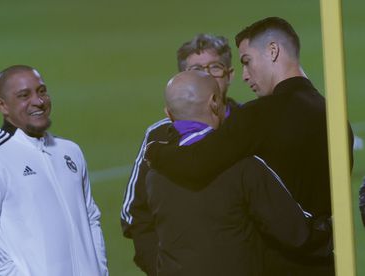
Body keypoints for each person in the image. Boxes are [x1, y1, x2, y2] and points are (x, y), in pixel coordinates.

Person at [146, 17, 354, 275]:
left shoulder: (258, 116)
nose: (244, 75)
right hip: (328, 263)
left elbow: (196, 163)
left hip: (276, 265)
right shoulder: (336, 117)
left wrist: (156, 151)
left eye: (247, 61)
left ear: (273, 51)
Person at [147, 70, 326, 276]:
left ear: (168, 114)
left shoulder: (154, 173)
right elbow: (294, 233)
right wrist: (327, 230)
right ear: (214, 103)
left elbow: (142, 229)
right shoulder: (244, 167)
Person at [0, 65, 108, 276]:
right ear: (2, 106)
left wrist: (99, 270)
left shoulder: (70, 151)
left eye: (42, 91)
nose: (38, 101)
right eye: (24, 95)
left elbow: (91, 217)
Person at [120, 34, 237, 275]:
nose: (206, 75)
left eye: (214, 67)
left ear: (230, 74)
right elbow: (134, 213)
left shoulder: (250, 125)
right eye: (196, 69)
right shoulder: (159, 135)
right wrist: (158, 267)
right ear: (182, 78)